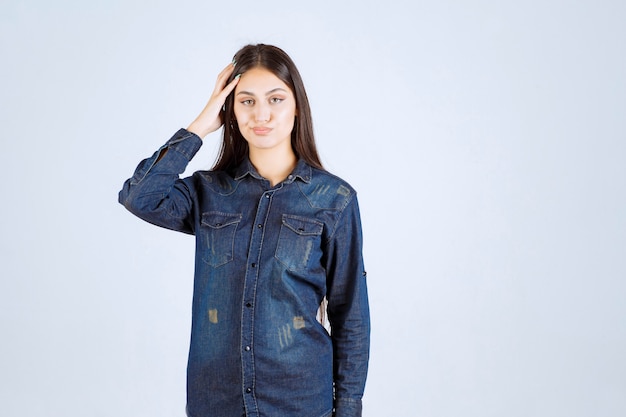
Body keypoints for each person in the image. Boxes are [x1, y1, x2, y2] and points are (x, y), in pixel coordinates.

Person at [119, 44, 370, 417]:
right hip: (216, 401)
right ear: (230, 110)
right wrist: (201, 124)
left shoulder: (333, 199)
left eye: (275, 99)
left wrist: (348, 409)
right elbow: (139, 197)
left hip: (299, 402)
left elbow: (351, 313)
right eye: (246, 101)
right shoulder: (208, 193)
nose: (262, 114)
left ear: (297, 105)